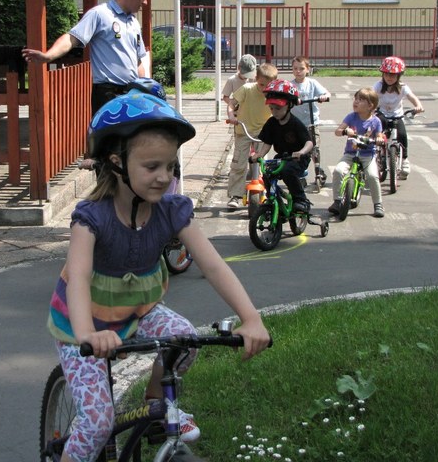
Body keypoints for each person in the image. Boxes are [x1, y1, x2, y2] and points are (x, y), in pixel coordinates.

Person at [47, 90, 271, 462]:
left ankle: (155, 400)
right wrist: (87, 333)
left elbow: (213, 264)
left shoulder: (171, 211)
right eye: (152, 167)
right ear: (116, 163)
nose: (164, 177)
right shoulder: (91, 218)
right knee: (98, 423)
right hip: (81, 325)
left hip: (137, 313)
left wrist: (251, 318)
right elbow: (81, 277)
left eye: (170, 166)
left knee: (184, 340)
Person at [22, 0, 152, 116]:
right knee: (108, 139)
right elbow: (71, 38)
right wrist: (48, 56)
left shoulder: (133, 23)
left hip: (131, 93)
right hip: (107, 94)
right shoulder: (100, 14)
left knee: (132, 139)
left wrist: (145, 89)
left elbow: (138, 61)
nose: (145, 2)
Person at [247, 78, 314, 214]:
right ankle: (273, 197)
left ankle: (300, 200)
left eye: (278, 108)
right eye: (271, 108)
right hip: (282, 157)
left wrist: (301, 152)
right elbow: (267, 142)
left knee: (288, 171)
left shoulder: (295, 123)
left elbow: (309, 142)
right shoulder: (272, 123)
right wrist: (259, 155)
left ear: (289, 105)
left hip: (298, 158)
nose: (274, 112)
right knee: (267, 172)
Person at [328, 87, 385, 218]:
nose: (356, 102)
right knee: (338, 171)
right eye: (356, 99)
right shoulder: (351, 117)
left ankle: (378, 204)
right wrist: (344, 131)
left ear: (370, 106)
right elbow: (337, 131)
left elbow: (380, 136)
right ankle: (337, 201)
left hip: (367, 155)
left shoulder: (375, 121)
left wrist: (379, 139)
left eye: (360, 100)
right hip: (350, 154)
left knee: (372, 176)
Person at [224, 62, 273, 211]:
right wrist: (231, 115)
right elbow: (231, 104)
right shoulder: (246, 89)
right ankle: (235, 195)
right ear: (256, 79)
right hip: (244, 131)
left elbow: (283, 106)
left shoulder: (274, 92)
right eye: (262, 84)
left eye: (268, 86)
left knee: (263, 164)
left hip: (264, 133)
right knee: (239, 164)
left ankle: (265, 191)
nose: (265, 89)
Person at [373, 56, 424, 179]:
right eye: (387, 75)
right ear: (383, 75)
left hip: (397, 115)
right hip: (382, 113)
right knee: (379, 127)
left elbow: (411, 96)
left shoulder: (402, 87)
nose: (389, 78)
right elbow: (371, 94)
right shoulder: (379, 86)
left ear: (399, 76)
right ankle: (376, 154)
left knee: (402, 134)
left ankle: (405, 159)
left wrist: (418, 106)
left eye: (393, 75)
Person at [289, 55, 330, 185]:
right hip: (296, 123)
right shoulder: (291, 85)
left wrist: (323, 97)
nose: (298, 71)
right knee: (297, 148)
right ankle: (299, 172)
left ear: (308, 69)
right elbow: (285, 98)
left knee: (314, 147)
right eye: (295, 68)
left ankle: (318, 170)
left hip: (311, 122)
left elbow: (326, 93)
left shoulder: (312, 83)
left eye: (301, 68)